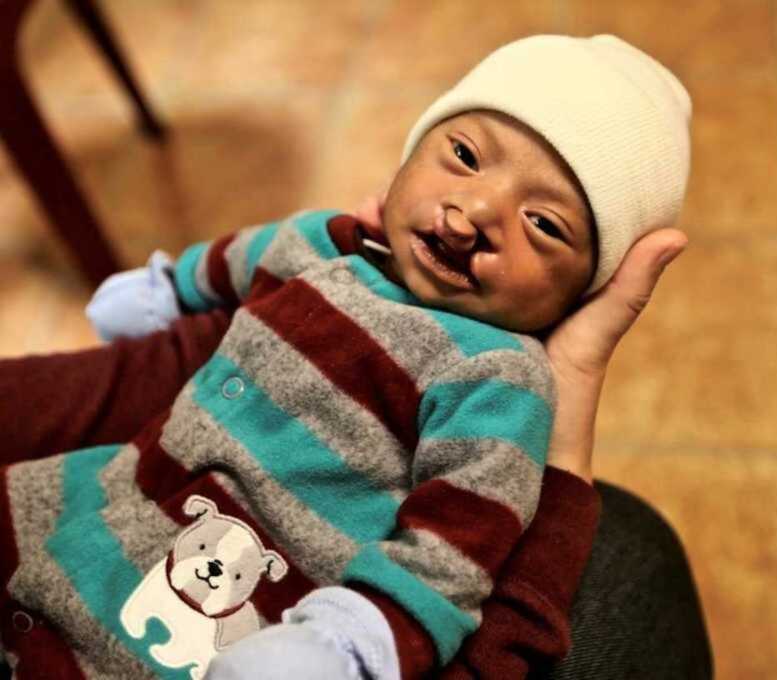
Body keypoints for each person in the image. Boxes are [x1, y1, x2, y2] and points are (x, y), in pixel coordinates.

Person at [0, 34, 691, 680]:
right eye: (465, 156)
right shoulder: (333, 244)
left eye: (544, 224)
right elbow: (245, 256)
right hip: (107, 493)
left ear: (578, 293)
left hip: (230, 592)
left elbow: (455, 552)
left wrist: (351, 641)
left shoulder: (498, 380)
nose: (476, 209)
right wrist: (167, 288)